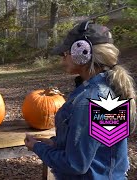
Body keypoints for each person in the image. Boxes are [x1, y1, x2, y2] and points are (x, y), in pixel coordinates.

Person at [24, 21, 136, 179]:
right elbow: (100, 149)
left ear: (82, 52)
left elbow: (75, 164)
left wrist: (37, 147)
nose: (63, 60)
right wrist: (56, 144)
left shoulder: (89, 101)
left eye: (65, 54)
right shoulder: (110, 92)